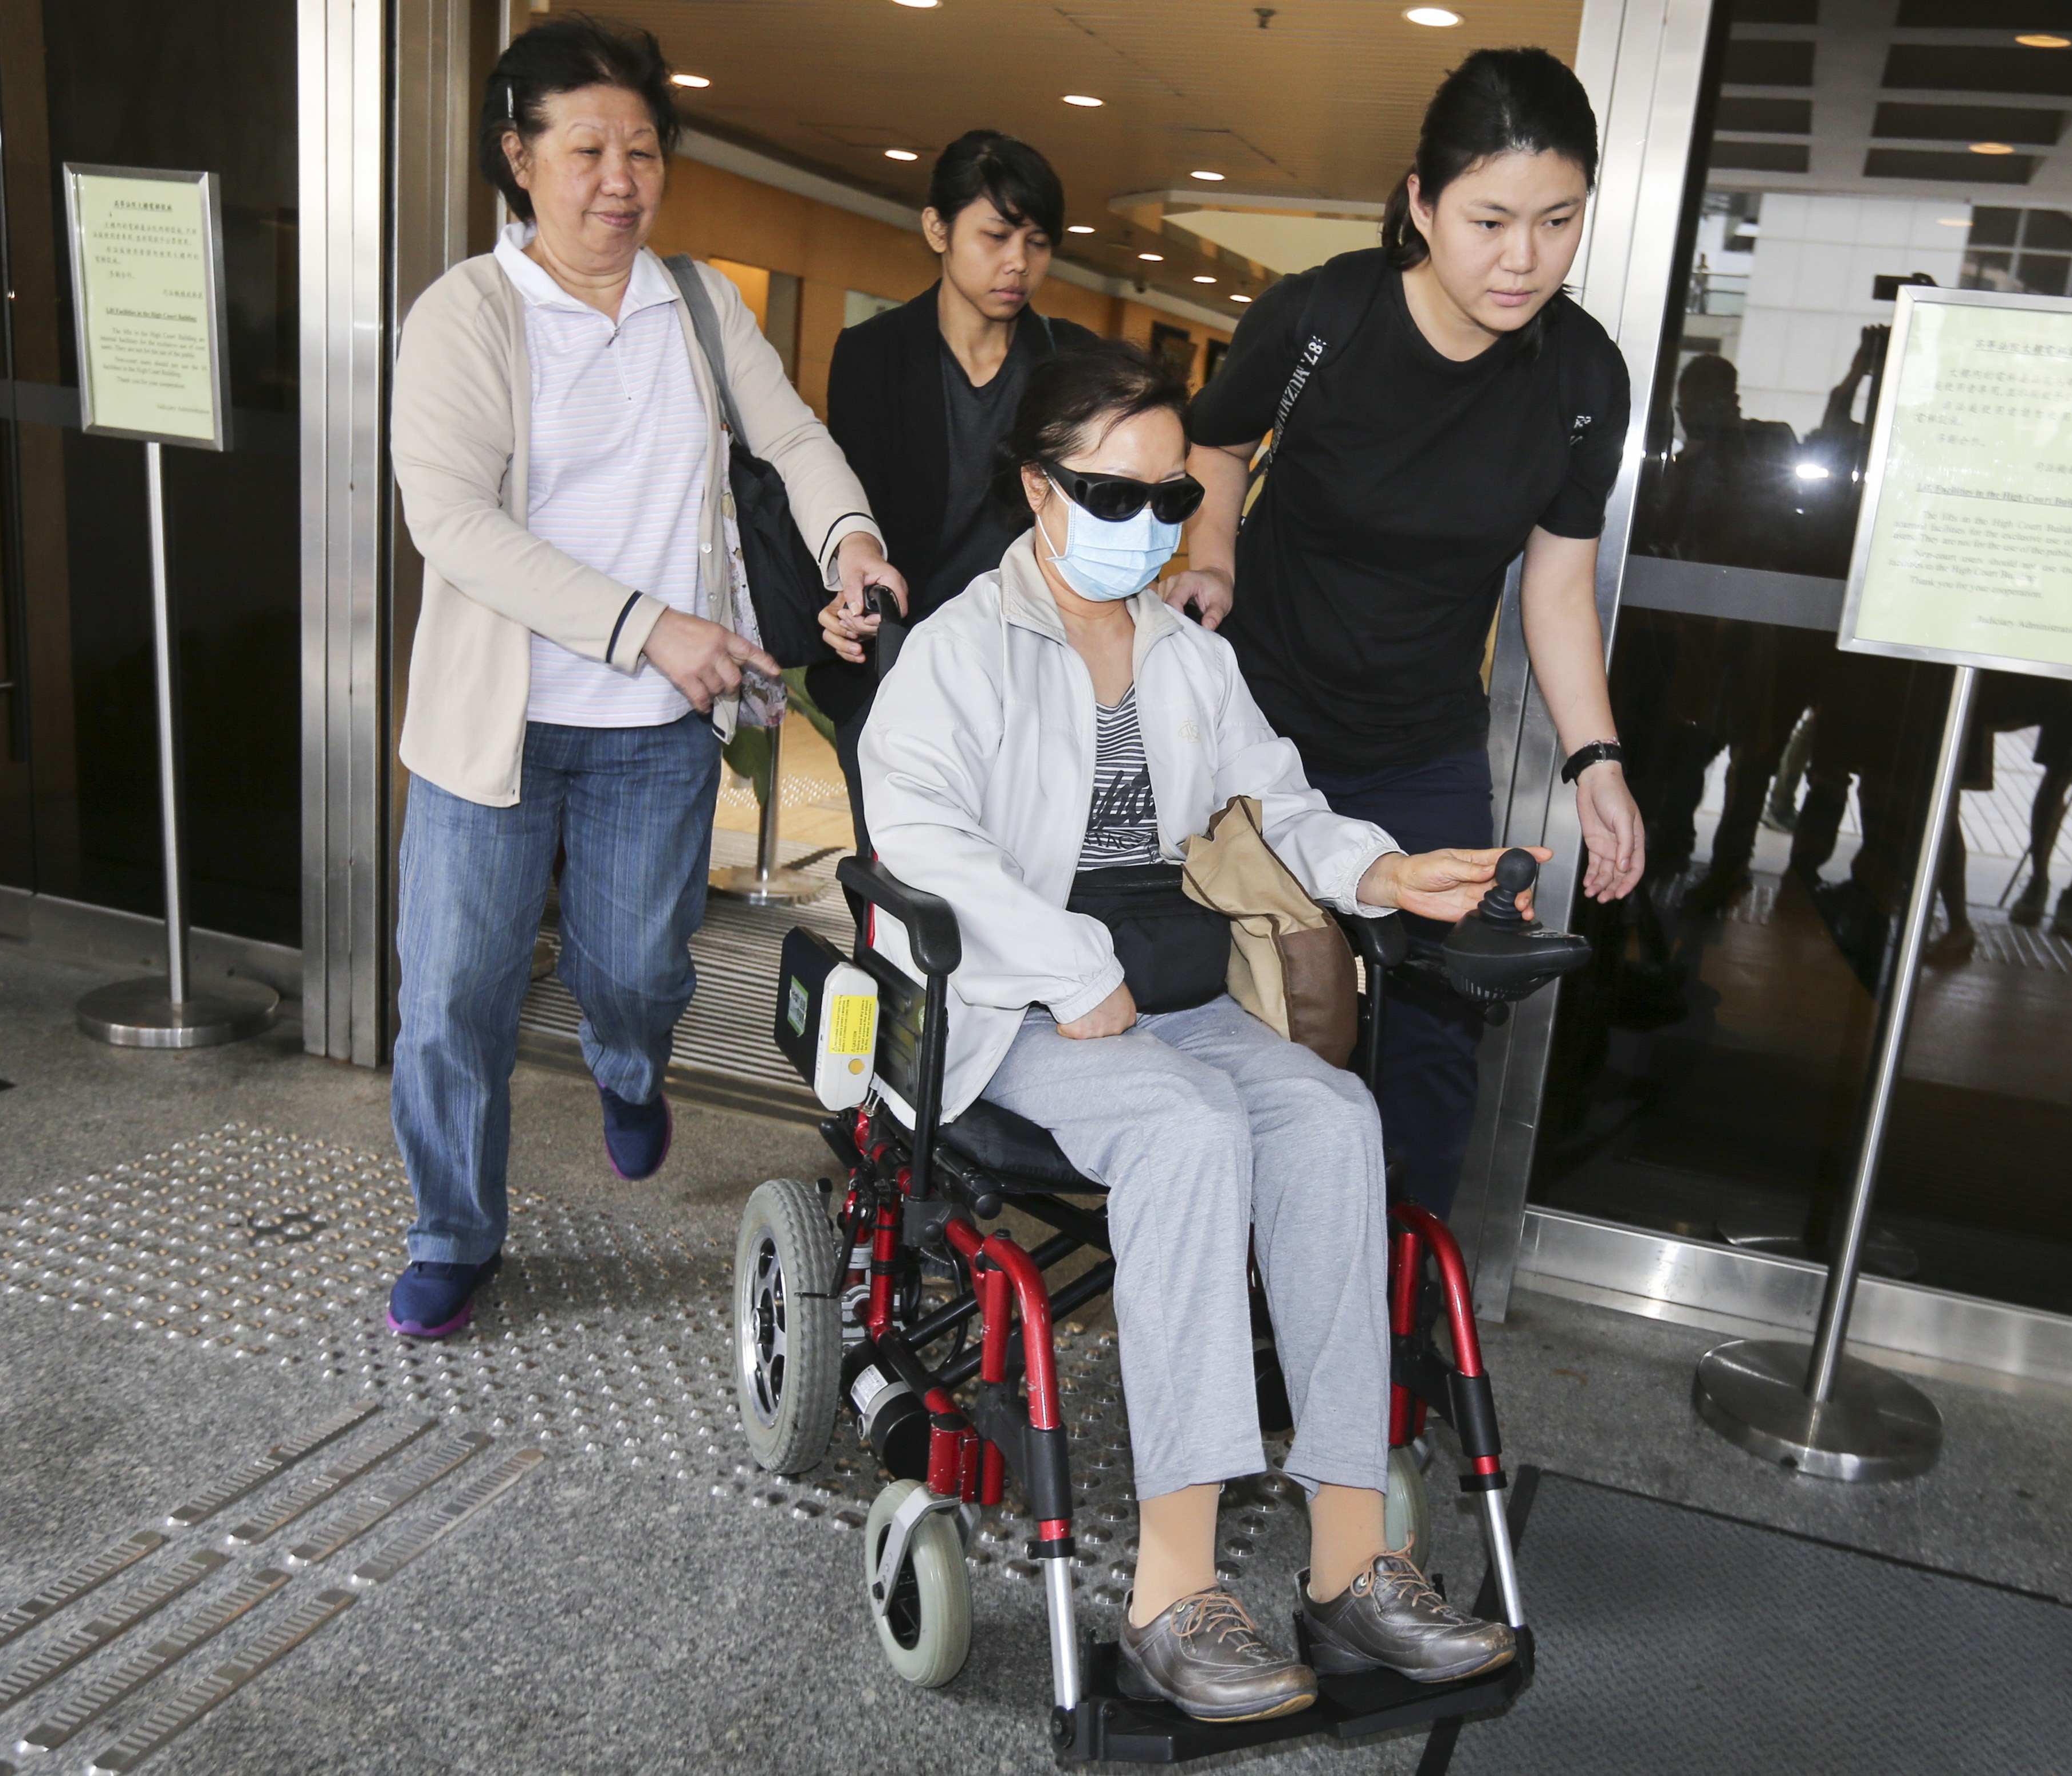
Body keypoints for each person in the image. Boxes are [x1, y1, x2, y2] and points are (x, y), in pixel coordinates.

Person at [860, 341, 1522, 1723]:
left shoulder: (1181, 653)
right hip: (1011, 1003)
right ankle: (1173, 1592)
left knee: (1336, 1118)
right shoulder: (959, 652)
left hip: (1167, 992)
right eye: (1117, 497)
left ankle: (1353, 1560)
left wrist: (1384, 871)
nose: (1151, 529)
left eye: (1172, 501)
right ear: (1038, 490)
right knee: (1187, 1128)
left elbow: (1273, 806)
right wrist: (1061, 959)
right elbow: (920, 837)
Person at [383, 17, 901, 1339]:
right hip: (492, 727)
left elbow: (788, 435)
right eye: (586, 149)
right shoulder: (465, 317)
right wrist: (646, 624)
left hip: (650, 731)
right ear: (519, 156)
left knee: (639, 974)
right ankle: (452, 1225)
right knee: (453, 998)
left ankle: (627, 1067)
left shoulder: (699, 303)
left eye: (642, 150)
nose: (620, 178)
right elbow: (454, 522)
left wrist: (851, 542)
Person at [1174, 47, 1645, 1217]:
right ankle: (1227, 1272)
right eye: (1489, 219)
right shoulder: (1321, 316)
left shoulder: (1581, 377)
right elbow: (1213, 446)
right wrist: (1212, 556)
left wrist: (1596, 761)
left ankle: (1389, 1318)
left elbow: (1552, 589)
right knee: (1246, 1005)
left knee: (1434, 1040)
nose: (1521, 257)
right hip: (1258, 724)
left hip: (1424, 747)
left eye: (1556, 220)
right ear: (1421, 204)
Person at [814, 131, 1096, 848]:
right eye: (996, 235)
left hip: (1032, 679)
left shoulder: (1072, 362)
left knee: (1020, 884)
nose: (1018, 263)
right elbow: (850, 507)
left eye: (1036, 242)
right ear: (936, 228)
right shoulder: (875, 355)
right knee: (900, 892)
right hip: (897, 670)